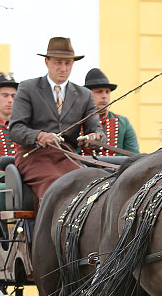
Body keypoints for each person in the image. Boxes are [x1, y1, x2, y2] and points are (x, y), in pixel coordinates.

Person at [8, 37, 103, 202]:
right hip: (34, 156)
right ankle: (47, 228)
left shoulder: (84, 95)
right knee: (54, 188)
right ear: (47, 62)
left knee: (86, 187)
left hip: (67, 156)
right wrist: (39, 136)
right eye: (58, 63)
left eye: (68, 63)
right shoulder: (28, 88)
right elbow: (16, 128)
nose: (63, 68)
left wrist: (93, 138)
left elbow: (97, 130)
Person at [81, 68, 139, 156]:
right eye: (99, 92)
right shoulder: (76, 122)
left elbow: (134, 156)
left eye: (107, 92)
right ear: (87, 94)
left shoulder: (123, 123)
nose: (104, 96)